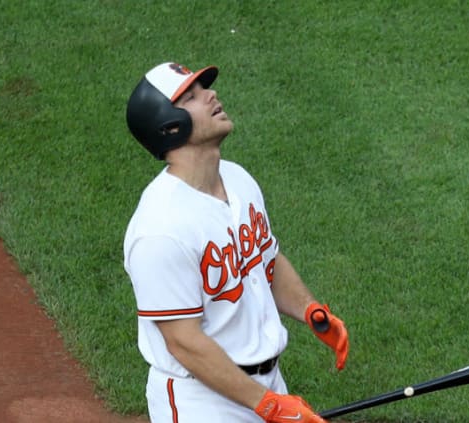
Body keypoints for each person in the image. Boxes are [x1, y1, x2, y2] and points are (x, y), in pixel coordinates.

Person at [123, 62, 349, 423]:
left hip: (266, 387)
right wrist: (269, 405)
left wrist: (311, 311)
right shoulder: (160, 228)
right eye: (192, 97)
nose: (212, 95)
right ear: (169, 125)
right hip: (202, 402)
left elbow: (266, 261)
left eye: (204, 90)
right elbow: (183, 342)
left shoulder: (238, 179)